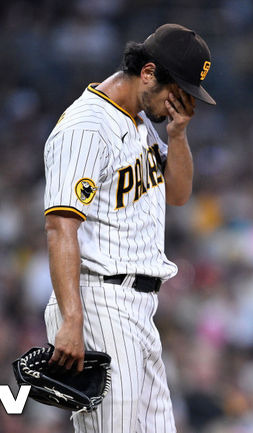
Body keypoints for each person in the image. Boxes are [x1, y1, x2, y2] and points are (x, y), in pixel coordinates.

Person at [41, 24, 215, 432]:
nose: (183, 102)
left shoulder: (139, 122)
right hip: (100, 301)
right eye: (178, 91)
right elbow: (59, 227)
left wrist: (178, 134)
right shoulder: (86, 127)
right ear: (149, 73)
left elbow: (178, 193)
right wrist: (71, 319)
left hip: (138, 308)